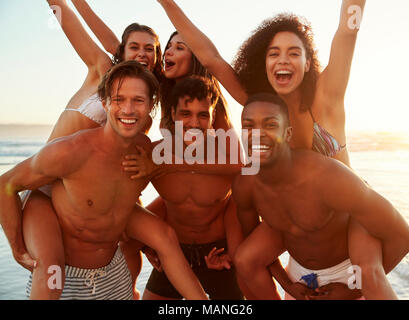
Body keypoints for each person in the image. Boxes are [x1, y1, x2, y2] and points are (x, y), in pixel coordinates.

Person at [157, 0, 403, 300]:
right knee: (247, 260)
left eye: (293, 53)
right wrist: (166, 3)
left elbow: (347, 33)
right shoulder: (261, 105)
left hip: (345, 213)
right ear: (263, 62)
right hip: (292, 213)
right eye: (274, 53)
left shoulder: (327, 97)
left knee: (370, 275)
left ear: (308, 62)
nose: (282, 60)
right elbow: (210, 58)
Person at [0, 61, 208, 300]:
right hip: (64, 280)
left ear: (151, 105)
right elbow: (6, 184)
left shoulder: (143, 151)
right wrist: (17, 248)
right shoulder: (71, 152)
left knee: (165, 236)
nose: (128, 110)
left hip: (114, 276)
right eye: (119, 99)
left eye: (138, 100)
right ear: (105, 103)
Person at [19, 0, 165, 299]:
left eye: (150, 48)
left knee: (126, 242)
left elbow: (122, 160)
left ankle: (130, 290)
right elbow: (71, 23)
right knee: (51, 272)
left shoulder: (141, 112)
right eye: (134, 47)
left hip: (83, 191)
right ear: (121, 51)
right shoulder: (101, 69)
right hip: (44, 186)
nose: (142, 53)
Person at [232, 93, 409, 300]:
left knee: (370, 272)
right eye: (248, 126)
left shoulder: (326, 177)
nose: (257, 134)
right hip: (302, 278)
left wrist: (353, 290)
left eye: (270, 125)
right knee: (244, 258)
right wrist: (288, 285)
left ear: (288, 133)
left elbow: (403, 237)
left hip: (352, 277)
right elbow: (254, 247)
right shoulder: (245, 185)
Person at [123, 76, 246, 300]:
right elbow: (126, 201)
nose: (194, 123)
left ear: (212, 118)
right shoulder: (152, 156)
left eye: (202, 115)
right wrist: (147, 241)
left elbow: (245, 198)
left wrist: (234, 255)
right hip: (173, 255)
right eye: (185, 114)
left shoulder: (227, 160)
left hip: (218, 254)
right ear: (172, 115)